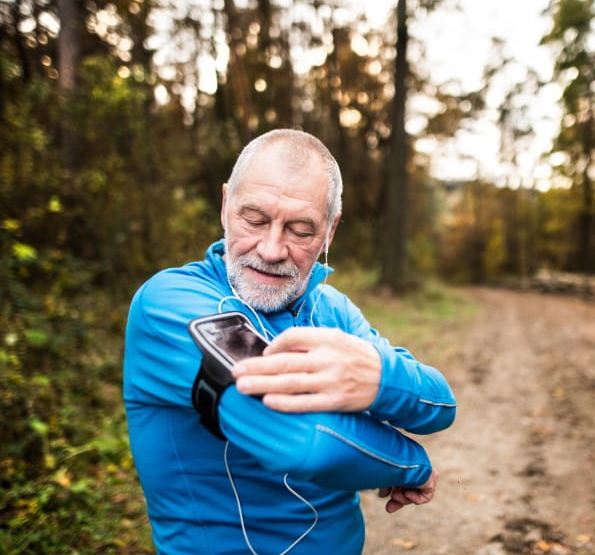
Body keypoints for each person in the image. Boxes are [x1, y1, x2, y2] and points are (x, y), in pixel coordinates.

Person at [123, 128, 457, 555]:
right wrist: (413, 466)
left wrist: (376, 378)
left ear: (329, 232)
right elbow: (305, 441)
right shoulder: (172, 303)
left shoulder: (331, 308)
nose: (271, 248)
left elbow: (439, 404)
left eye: (300, 230)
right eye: (255, 219)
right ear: (226, 204)